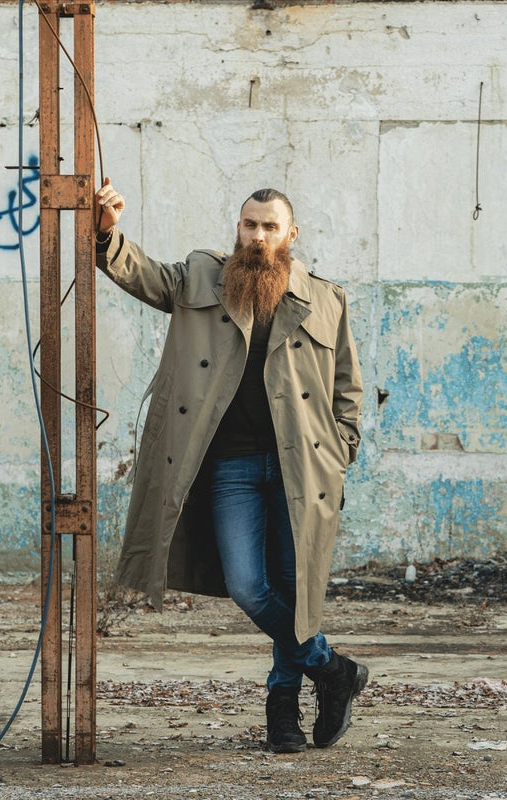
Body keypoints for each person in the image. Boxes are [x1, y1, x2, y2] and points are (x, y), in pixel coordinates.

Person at [93, 178, 367, 753]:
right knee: (249, 586)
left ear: (291, 235)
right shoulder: (202, 277)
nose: (259, 236)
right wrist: (107, 232)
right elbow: (141, 273)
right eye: (250, 225)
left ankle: (283, 717)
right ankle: (332, 669)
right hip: (231, 466)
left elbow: (347, 387)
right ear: (237, 229)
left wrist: (342, 449)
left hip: (304, 472)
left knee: (295, 592)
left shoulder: (326, 298)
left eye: (271, 227)